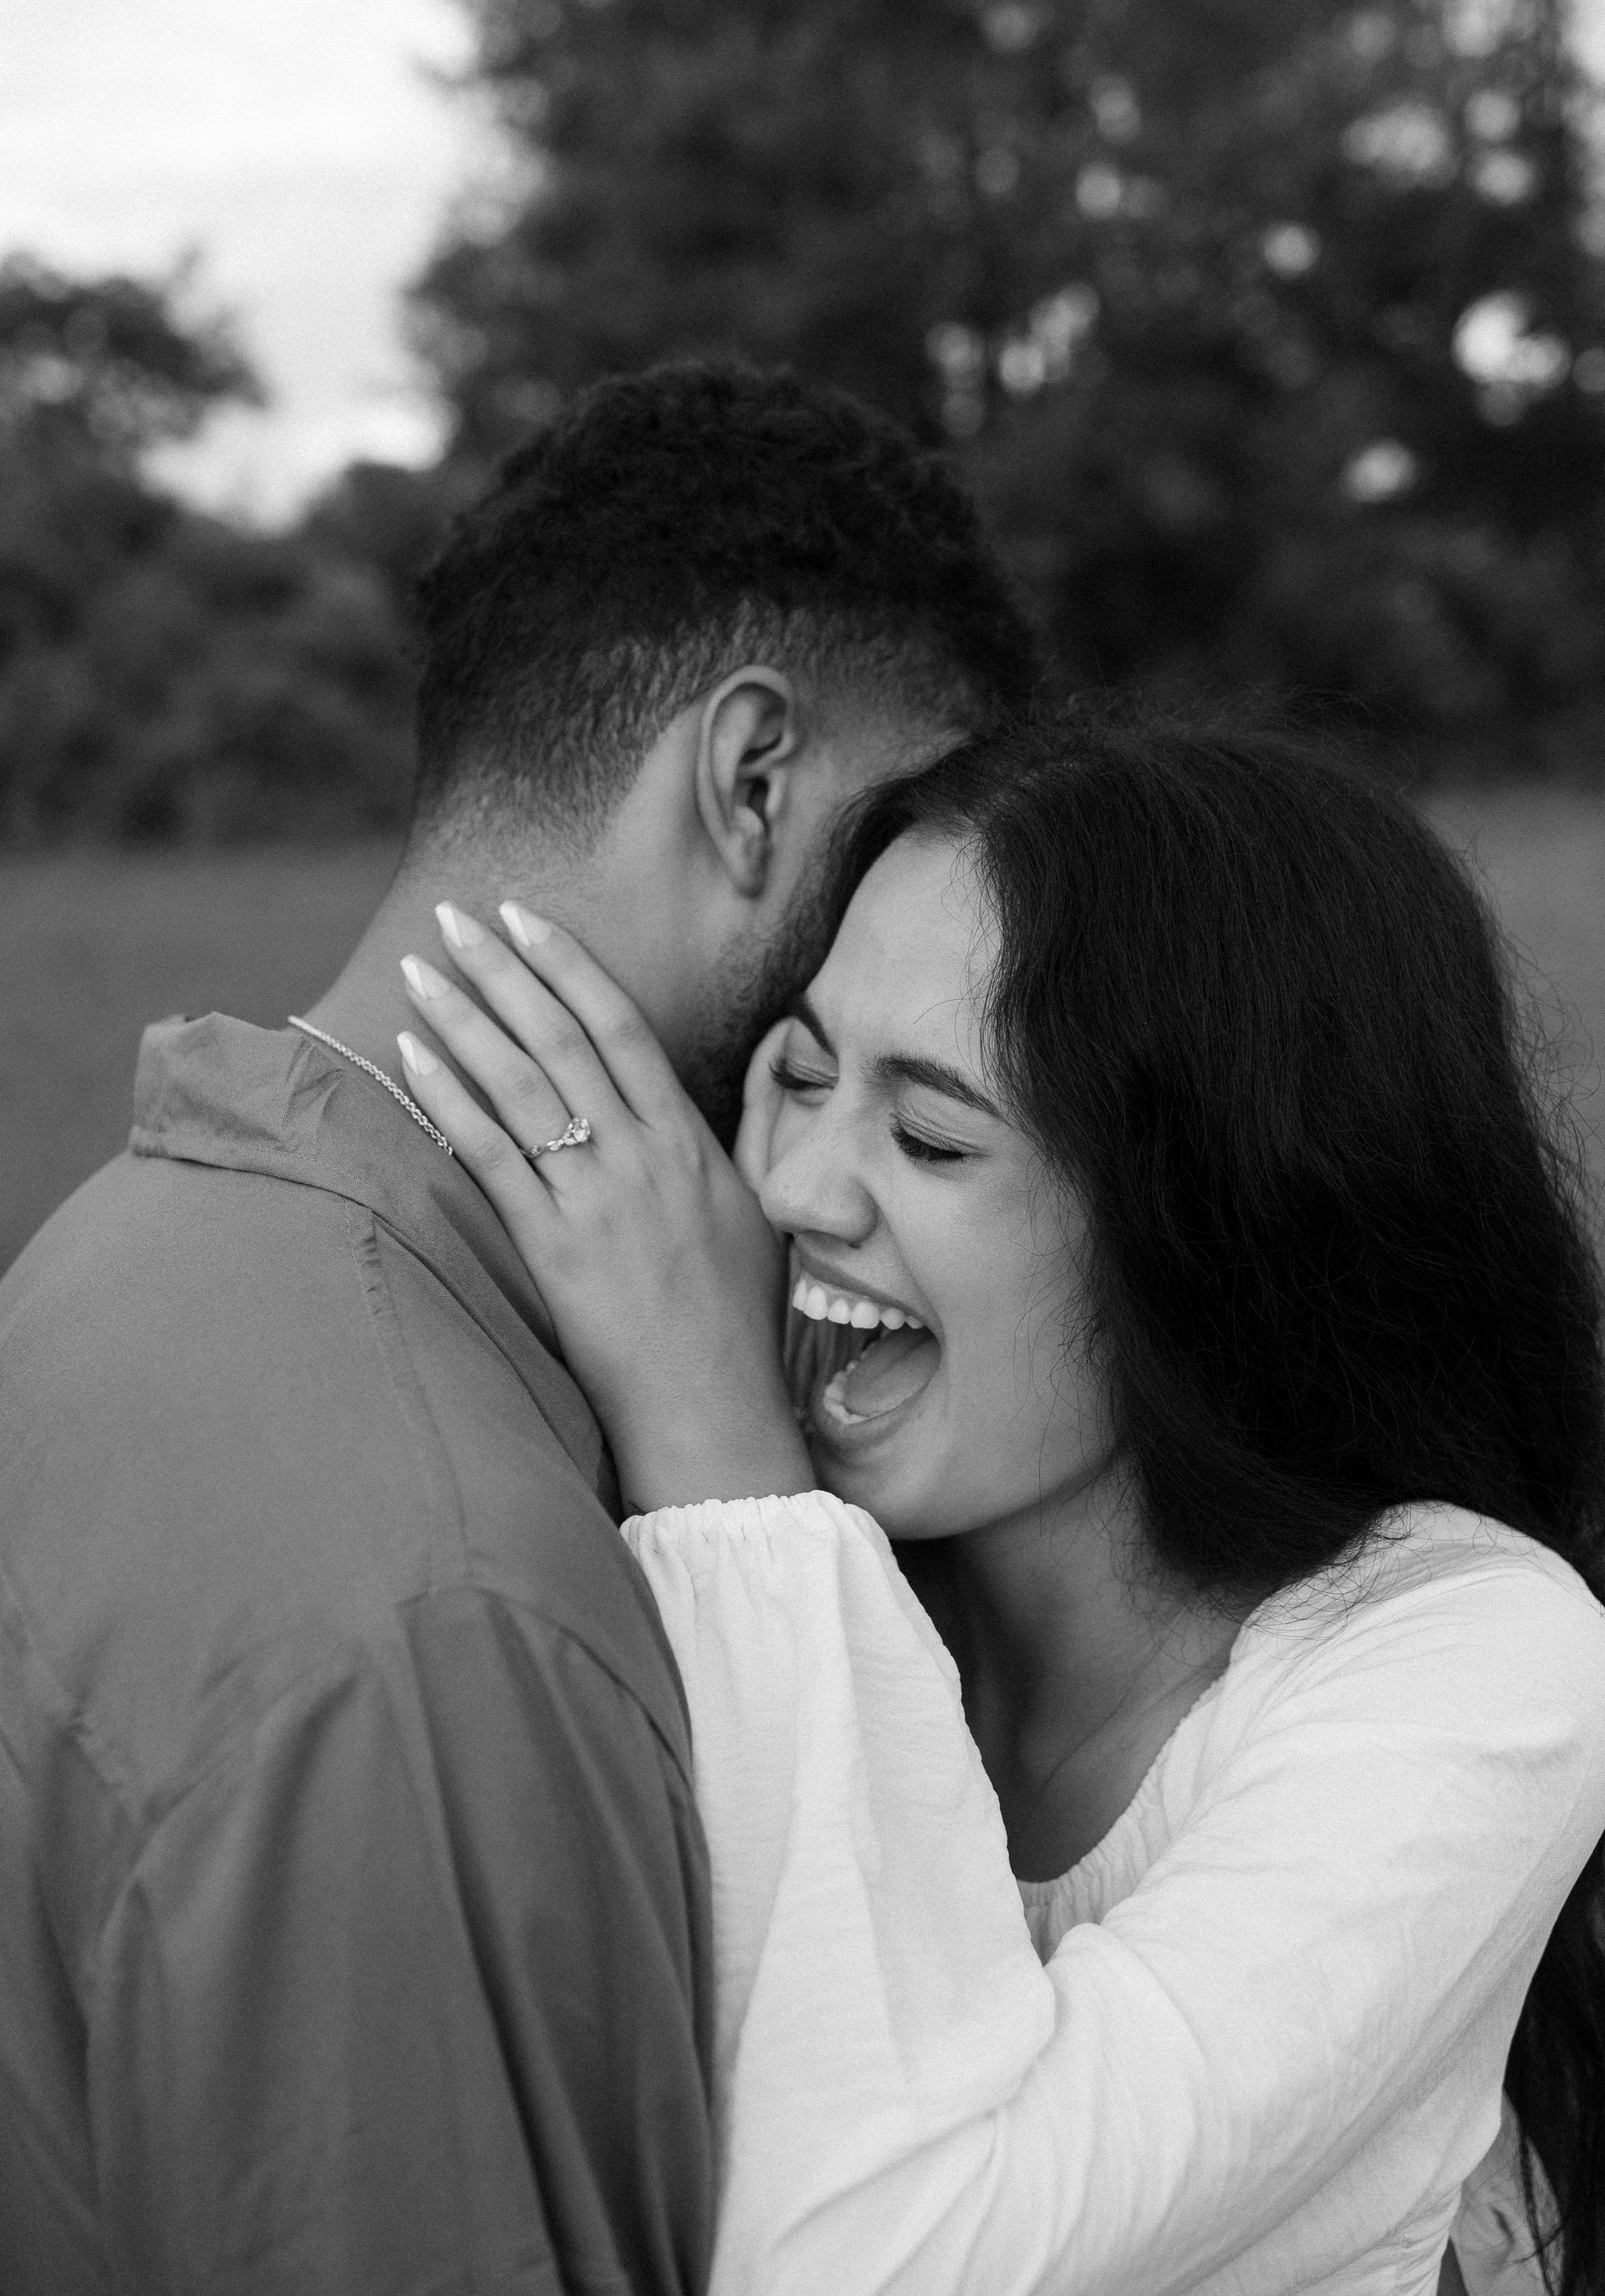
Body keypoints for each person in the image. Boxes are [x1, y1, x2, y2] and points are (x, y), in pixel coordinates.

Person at [0, 359, 1037, 2293]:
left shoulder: (104, 1262)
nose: (921, 952)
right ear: (750, 783)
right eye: (899, 846)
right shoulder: (448, 1606)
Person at [394, 718, 1605, 2296]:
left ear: (1213, 1237)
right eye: (802, 1074)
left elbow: (872, 2264)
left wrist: (716, 1441)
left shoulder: (1481, 1662)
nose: (797, 1192)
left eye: (929, 1133)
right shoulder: (758, 1584)